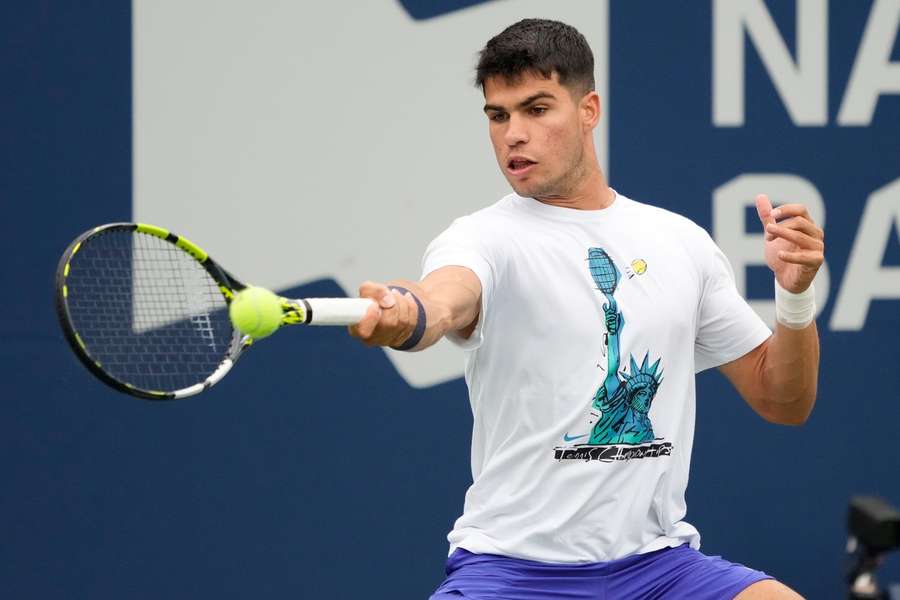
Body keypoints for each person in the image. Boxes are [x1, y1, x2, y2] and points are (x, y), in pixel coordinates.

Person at [349, 18, 822, 600]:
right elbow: (443, 299)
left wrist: (795, 296)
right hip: (515, 572)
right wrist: (408, 313)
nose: (513, 135)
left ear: (588, 109)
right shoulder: (480, 239)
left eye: (536, 109)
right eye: (498, 116)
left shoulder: (681, 241)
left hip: (660, 569)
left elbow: (783, 400)